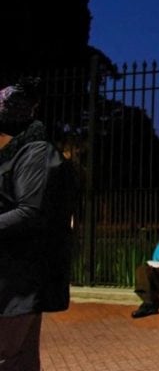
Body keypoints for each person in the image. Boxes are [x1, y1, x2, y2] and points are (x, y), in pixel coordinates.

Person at [0, 79, 77, 370]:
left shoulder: (36, 153)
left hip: (18, 284)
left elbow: (30, 211)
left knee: (9, 357)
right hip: (7, 278)